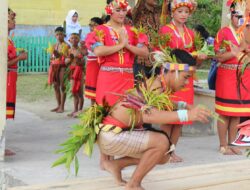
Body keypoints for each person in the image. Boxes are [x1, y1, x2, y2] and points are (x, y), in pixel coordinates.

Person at [53, 49, 212, 190]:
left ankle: (116, 165)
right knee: (162, 142)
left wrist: (184, 105)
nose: (186, 83)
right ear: (172, 71)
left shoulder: (158, 84)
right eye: (185, 77)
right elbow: (150, 115)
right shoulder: (154, 86)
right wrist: (186, 115)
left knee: (164, 155)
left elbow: (163, 104)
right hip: (112, 135)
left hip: (115, 134)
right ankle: (133, 185)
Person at [86, 0, 149, 171]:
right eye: (118, 10)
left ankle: (121, 156)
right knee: (106, 114)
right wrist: (121, 45)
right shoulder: (100, 31)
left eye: (124, 10)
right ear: (109, 11)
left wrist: (127, 44)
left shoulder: (132, 31)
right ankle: (105, 159)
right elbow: (98, 51)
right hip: (107, 76)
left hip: (127, 77)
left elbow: (144, 52)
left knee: (127, 113)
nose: (122, 13)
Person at [158, 0, 207, 162]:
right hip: (171, 79)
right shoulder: (165, 30)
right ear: (172, 13)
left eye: (186, 12)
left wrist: (200, 57)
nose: (184, 15)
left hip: (186, 80)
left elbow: (194, 63)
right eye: (180, 12)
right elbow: (160, 56)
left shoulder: (192, 34)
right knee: (168, 116)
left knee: (181, 117)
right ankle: (161, 152)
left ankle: (171, 152)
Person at [213, 0, 250, 155]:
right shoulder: (223, 32)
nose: (239, 19)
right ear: (231, 15)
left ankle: (232, 143)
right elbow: (219, 57)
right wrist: (238, 50)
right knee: (224, 112)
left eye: (243, 16)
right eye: (236, 16)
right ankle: (223, 145)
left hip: (243, 76)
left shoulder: (246, 32)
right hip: (227, 75)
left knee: (236, 112)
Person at [6, 8, 28, 155]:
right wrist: (19, 58)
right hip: (6, 78)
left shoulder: (7, 38)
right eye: (12, 18)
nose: (15, 20)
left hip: (10, 78)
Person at [132, 0, 162, 79]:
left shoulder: (159, 10)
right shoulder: (138, 11)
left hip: (156, 60)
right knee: (140, 89)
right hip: (141, 60)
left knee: (156, 89)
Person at [48, 27, 69, 113]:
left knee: (62, 87)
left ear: (64, 35)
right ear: (55, 36)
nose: (59, 36)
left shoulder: (67, 46)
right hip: (54, 67)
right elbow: (51, 58)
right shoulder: (54, 46)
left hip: (63, 67)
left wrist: (60, 56)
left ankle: (62, 107)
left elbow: (68, 58)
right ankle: (58, 105)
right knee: (56, 86)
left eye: (61, 34)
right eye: (57, 34)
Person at [66, 33, 87, 117]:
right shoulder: (69, 50)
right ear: (69, 40)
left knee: (80, 92)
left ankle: (80, 110)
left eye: (76, 38)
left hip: (79, 72)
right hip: (72, 71)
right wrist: (69, 59)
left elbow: (83, 62)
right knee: (74, 91)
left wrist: (79, 61)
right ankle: (75, 110)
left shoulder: (81, 50)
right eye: (72, 38)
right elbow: (66, 62)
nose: (74, 40)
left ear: (78, 40)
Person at [84, 17, 104, 105]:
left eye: (94, 25)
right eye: (90, 25)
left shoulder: (103, 36)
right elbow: (87, 51)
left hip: (99, 63)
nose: (92, 27)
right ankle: (93, 111)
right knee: (92, 88)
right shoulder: (89, 36)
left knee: (99, 86)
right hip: (91, 64)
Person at [194, 24, 217, 90]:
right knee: (210, 81)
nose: (193, 34)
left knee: (211, 81)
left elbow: (214, 53)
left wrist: (205, 56)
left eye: (194, 32)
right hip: (214, 63)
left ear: (199, 32)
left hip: (217, 63)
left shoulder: (209, 40)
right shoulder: (203, 41)